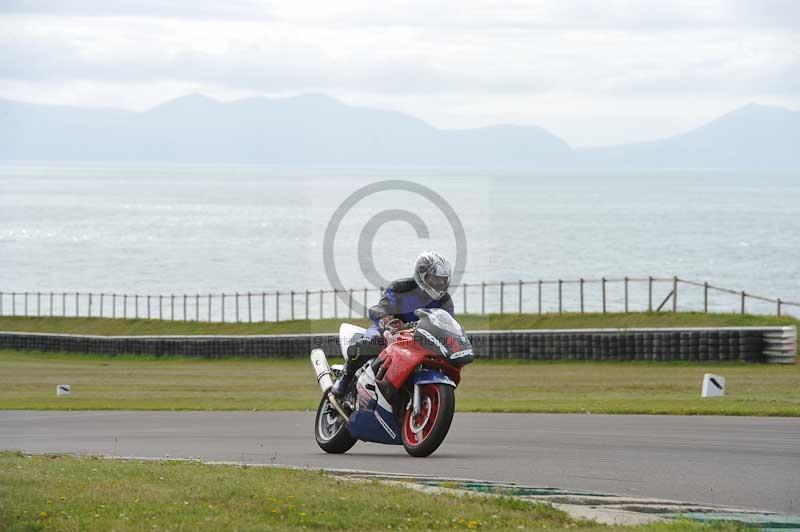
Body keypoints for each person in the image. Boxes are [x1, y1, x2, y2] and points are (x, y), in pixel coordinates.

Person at [330, 250, 454, 398]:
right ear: (422, 275)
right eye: (435, 279)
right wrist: (388, 320)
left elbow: (448, 323)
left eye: (443, 280)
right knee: (370, 343)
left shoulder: (445, 301)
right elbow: (380, 308)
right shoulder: (401, 288)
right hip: (388, 331)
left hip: (419, 337)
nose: (440, 284)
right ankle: (345, 378)